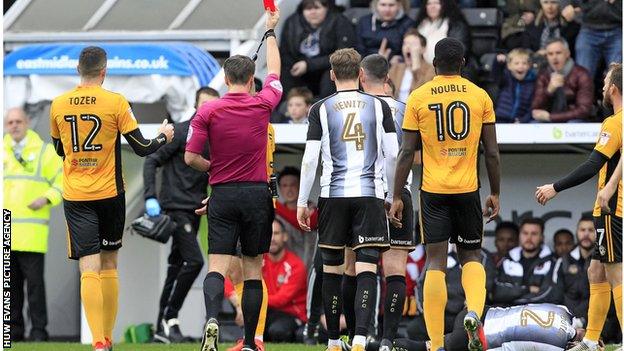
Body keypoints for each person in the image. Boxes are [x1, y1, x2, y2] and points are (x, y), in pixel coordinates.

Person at [50, 46, 174, 351]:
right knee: (109, 264)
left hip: (76, 194)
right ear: (104, 72)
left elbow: (59, 149)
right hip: (109, 193)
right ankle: (107, 337)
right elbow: (143, 148)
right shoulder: (116, 102)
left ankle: (98, 342)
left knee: (87, 268)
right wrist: (163, 136)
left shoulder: (58, 104)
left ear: (78, 70)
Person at [389, 37, 501, 351]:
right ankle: (474, 314)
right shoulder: (480, 96)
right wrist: (495, 192)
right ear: (463, 63)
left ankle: (437, 344)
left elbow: (406, 152)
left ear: (435, 63)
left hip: (433, 190)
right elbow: (491, 152)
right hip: (468, 189)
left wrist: (397, 195)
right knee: (471, 256)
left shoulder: (419, 96)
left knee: (435, 262)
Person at [184, 8, 281, 351]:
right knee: (253, 269)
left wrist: (216, 169)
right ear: (252, 78)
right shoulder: (263, 104)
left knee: (218, 265)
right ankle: (253, 342)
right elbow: (277, 73)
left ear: (224, 79)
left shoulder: (207, 111)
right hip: (257, 195)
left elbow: (190, 157)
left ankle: (212, 318)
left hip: (222, 194)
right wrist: (270, 31)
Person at [296, 48, 399, 351]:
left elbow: (309, 160)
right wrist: (391, 195)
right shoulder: (380, 107)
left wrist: (303, 200)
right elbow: (393, 153)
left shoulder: (320, 108)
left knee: (332, 268)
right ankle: (359, 338)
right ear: (361, 74)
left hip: (333, 195)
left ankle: (331, 341)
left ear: (331, 75)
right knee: (367, 267)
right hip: (368, 195)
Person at [535, 63, 622, 351]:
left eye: (605, 81)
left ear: (613, 89)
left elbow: (594, 164)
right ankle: (590, 340)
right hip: (607, 210)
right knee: (595, 271)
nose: (601, 86)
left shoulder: (615, 122)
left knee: (616, 273)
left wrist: (555, 187)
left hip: (613, 211)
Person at [143, 87, 219, 343]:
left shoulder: (215, 138)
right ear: (196, 105)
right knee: (194, 261)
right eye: (203, 104)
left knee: (176, 266)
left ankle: (160, 329)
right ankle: (170, 318)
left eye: (212, 104)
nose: (207, 109)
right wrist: (150, 197)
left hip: (195, 209)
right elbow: (151, 160)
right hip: (176, 208)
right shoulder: (181, 131)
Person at [358, 53, 415, 351]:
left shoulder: (355, 109)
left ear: (361, 77)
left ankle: (360, 336)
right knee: (395, 269)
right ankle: (387, 340)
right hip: (398, 192)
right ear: (389, 79)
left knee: (361, 268)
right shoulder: (406, 110)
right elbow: (412, 154)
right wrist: (396, 194)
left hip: (365, 191)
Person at [5, 108, 63, 342]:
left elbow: (62, 181)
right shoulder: (2, 151)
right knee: (10, 289)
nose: (15, 125)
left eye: (19, 121)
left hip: (31, 233)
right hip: (6, 234)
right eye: (10, 122)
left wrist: (46, 198)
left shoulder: (44, 152)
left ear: (27, 122)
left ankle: (39, 332)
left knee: (35, 288)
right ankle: (13, 332)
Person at [394, 303, 585, 351]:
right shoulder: (556, 346)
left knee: (430, 344)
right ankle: (380, 345)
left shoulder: (563, 311)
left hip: (480, 311)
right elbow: (510, 348)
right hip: (481, 336)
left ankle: (381, 343)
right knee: (424, 348)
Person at [407, 245, 496, 343]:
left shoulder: (481, 255)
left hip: (463, 313)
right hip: (439, 312)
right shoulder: (437, 252)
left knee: (463, 331)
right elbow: (420, 284)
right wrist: (426, 311)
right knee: (415, 328)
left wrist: (468, 308)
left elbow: (486, 285)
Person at [280, 0, 356, 99]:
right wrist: (294, 66)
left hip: (326, 67)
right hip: (299, 68)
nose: (312, 12)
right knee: (284, 74)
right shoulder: (292, 23)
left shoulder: (339, 21)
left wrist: (309, 65)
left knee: (332, 74)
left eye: (317, 8)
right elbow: (285, 51)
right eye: (308, 9)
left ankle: (326, 108)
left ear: (326, 8)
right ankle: (288, 111)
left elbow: (344, 54)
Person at [492, 218, 563, 307]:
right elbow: (496, 292)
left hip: (539, 315)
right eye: (525, 233)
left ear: (542, 237)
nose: (529, 238)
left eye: (534, 234)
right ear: (519, 236)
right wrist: (527, 289)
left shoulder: (554, 262)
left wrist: (514, 300)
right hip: (508, 315)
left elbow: (551, 296)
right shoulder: (507, 259)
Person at [262, 219, 308, 342]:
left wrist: (252, 298)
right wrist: (237, 301)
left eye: (276, 233)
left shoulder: (295, 265)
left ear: (285, 236)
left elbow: (281, 299)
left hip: (291, 314)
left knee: (277, 332)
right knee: (249, 329)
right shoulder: (258, 261)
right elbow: (231, 279)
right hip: (266, 311)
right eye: (268, 234)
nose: (272, 238)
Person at [531, 38, 594, 123]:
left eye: (558, 53)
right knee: (534, 124)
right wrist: (549, 90)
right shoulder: (543, 74)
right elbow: (535, 107)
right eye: (550, 54)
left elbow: (584, 109)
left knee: (574, 124)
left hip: (573, 120)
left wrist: (551, 117)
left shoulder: (582, 74)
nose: (554, 57)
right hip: (548, 119)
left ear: (567, 53)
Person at [275, 166, 318, 269]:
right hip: (285, 271)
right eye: (284, 186)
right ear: (280, 188)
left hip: (312, 268)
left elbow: (306, 223)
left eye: (293, 185)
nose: (289, 190)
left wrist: (274, 204)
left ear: (301, 186)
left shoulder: (313, 209)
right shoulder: (275, 215)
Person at [559, 216, 595, 330]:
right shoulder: (564, 260)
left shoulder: (604, 261)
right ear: (576, 232)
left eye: (590, 230)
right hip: (568, 319)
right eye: (582, 230)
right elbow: (556, 292)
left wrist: (583, 318)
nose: (586, 234)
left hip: (596, 318)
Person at [573, 0, 621, 80]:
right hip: (588, 28)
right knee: (583, 75)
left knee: (618, 75)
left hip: (617, 28)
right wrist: (566, 6)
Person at [413, 0, 471, 64]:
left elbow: (459, 51)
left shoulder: (455, 25)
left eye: (437, 3)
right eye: (429, 3)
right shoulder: (419, 25)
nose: (432, 6)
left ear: (445, 5)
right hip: (420, 68)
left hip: (446, 69)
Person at [388, 29, 436, 103]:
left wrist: (416, 68)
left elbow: (421, 97)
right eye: (405, 44)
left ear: (423, 49)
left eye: (413, 44)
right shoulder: (396, 68)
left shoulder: (431, 70)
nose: (408, 47)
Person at [493, 48, 537, 123]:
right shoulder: (506, 78)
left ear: (529, 66)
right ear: (509, 66)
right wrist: (498, 63)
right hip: (500, 118)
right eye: (516, 63)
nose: (521, 66)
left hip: (519, 121)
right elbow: (496, 75)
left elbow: (532, 106)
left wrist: (523, 120)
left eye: (524, 63)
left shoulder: (532, 82)